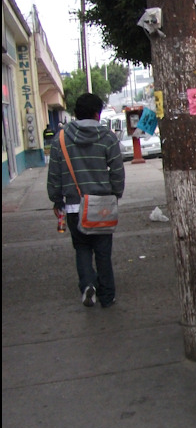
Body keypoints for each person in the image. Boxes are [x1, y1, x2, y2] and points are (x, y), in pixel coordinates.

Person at [47, 93, 125, 308]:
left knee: (81, 248)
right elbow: (117, 171)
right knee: (103, 251)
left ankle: (88, 284)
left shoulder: (60, 139)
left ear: (75, 113)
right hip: (102, 206)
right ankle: (107, 296)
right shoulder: (108, 138)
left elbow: (54, 174)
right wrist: (115, 194)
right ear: (97, 114)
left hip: (73, 206)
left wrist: (56, 201)